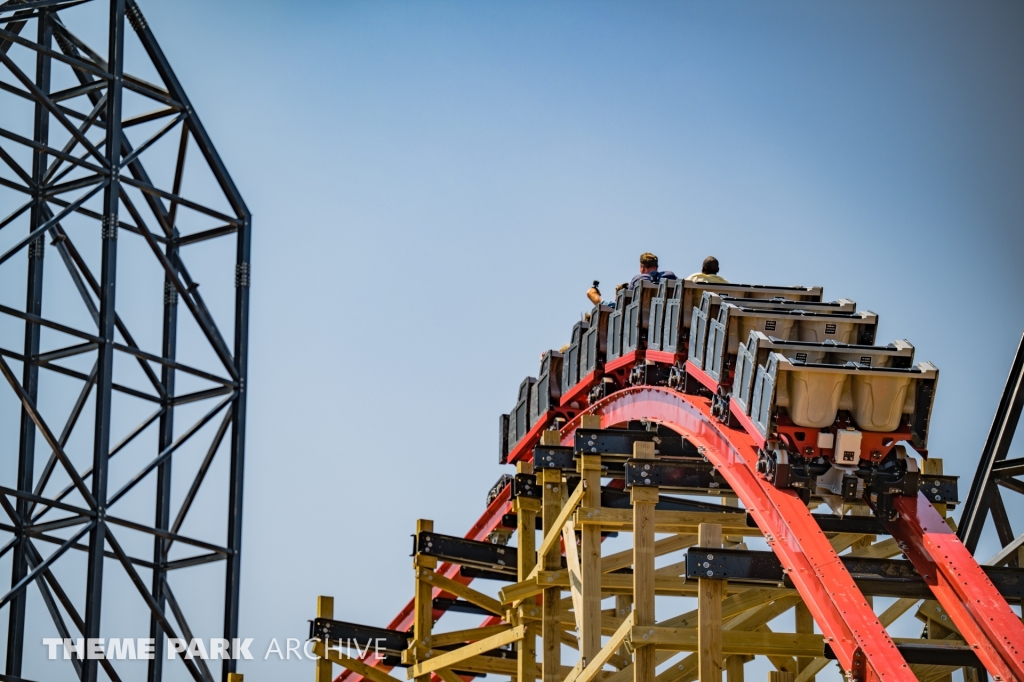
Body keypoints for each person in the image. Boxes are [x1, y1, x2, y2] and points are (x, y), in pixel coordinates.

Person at [587, 252, 676, 306]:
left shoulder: (638, 280)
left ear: (642, 267)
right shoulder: (670, 278)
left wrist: (594, 295)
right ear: (657, 267)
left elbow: (623, 305)